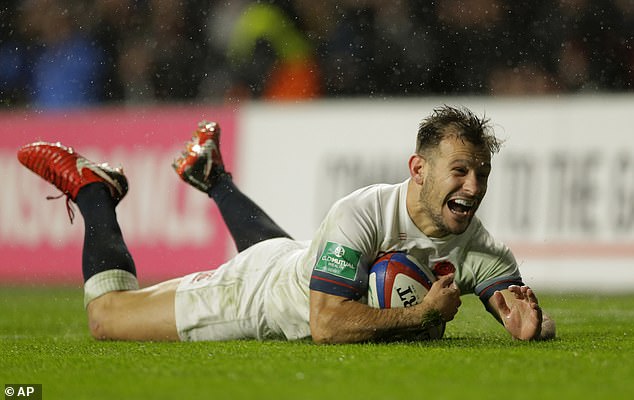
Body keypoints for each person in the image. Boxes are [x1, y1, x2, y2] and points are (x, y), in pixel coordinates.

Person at [17, 106, 556, 343]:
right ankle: (94, 190)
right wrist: (422, 318)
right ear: (418, 170)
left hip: (296, 261)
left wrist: (532, 327)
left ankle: (213, 177)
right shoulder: (363, 212)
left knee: (291, 254)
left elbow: (515, 306)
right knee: (107, 320)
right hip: (256, 297)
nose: (473, 187)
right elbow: (325, 326)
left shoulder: (483, 248)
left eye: (481, 173)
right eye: (459, 171)